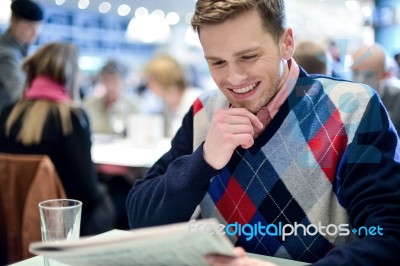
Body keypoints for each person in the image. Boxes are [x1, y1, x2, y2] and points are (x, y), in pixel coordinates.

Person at [126, 0, 400, 265]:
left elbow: (389, 237)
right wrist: (204, 160)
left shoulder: (354, 110)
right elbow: (141, 219)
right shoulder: (203, 112)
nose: (234, 78)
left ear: (286, 43)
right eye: (217, 63)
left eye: (248, 56)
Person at [0, 42, 117, 236]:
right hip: (61, 225)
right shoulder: (72, 118)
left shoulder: (7, 114)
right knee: (122, 195)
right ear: (71, 76)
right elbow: (86, 192)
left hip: (10, 224)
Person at [142, 54, 202, 137]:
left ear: (163, 79)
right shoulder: (168, 105)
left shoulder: (195, 100)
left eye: (150, 80)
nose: (148, 85)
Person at [0, 0, 44, 111]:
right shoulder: (6, 54)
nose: (35, 32)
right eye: (30, 26)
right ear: (13, 22)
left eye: (38, 26)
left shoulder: (21, 51)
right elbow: (20, 92)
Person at [351, 43, 400, 133]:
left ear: (385, 75)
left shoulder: (396, 99)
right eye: (355, 73)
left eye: (369, 75)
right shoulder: (345, 99)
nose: (360, 81)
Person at [83, 59, 138, 135]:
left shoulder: (133, 108)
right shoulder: (89, 105)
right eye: (106, 80)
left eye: (115, 81)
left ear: (124, 82)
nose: (110, 86)